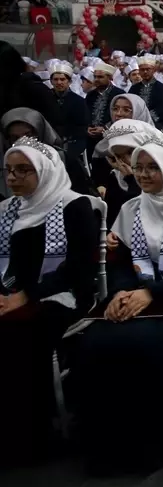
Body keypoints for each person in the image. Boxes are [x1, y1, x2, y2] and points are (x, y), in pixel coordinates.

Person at [75, 138, 163, 474]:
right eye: (139, 167)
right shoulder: (132, 208)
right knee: (95, 341)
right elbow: (122, 263)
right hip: (140, 293)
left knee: (150, 341)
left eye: (153, 167)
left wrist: (151, 293)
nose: (143, 174)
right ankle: (112, 446)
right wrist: (122, 293)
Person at [0, 137, 98, 462]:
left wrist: (27, 295)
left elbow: (79, 267)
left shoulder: (74, 206)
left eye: (23, 170)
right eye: (9, 170)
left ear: (44, 171)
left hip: (64, 292)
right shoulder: (7, 210)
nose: (12, 178)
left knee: (22, 332)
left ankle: (30, 434)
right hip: (14, 292)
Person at [2, 108, 92, 197]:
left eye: (28, 135)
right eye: (15, 138)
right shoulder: (4, 163)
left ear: (40, 133)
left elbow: (83, 196)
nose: (22, 141)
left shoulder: (62, 159)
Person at [47, 60, 89, 160]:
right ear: (51, 81)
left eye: (62, 79)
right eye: (55, 79)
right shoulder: (46, 98)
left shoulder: (78, 101)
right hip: (50, 139)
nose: (59, 82)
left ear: (69, 81)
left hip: (72, 140)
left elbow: (82, 125)